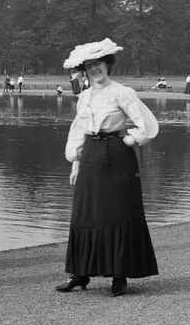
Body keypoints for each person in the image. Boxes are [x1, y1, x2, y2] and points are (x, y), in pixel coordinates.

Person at [57, 38, 159, 297]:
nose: (94, 69)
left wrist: (130, 139)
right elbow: (78, 130)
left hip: (117, 156)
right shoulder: (84, 97)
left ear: (108, 65)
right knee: (85, 212)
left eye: (99, 64)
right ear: (85, 69)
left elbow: (147, 124)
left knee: (117, 213)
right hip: (90, 155)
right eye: (90, 65)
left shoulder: (121, 92)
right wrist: (76, 162)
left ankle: (119, 276)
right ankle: (80, 275)